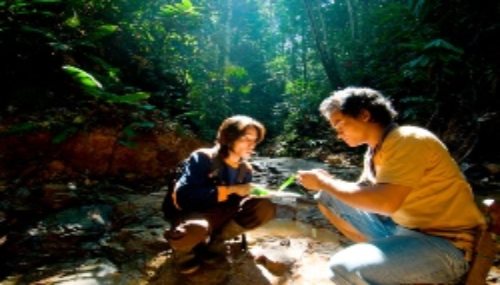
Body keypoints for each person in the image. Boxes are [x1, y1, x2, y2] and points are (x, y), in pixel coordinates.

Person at [297, 87, 486, 284]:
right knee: (328, 197)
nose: (338, 133)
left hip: (447, 244)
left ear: (364, 115)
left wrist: (326, 182)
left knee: (342, 269)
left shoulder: (408, 139)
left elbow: (386, 203)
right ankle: (391, 262)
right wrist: (326, 184)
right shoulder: (374, 151)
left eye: (339, 124)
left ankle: (405, 268)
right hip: (404, 231)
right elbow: (363, 193)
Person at [164, 115, 276, 274]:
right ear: (228, 138)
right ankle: (183, 251)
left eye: (255, 140)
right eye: (246, 138)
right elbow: (184, 196)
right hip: (193, 214)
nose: (252, 145)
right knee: (196, 227)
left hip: (222, 215)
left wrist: (255, 194)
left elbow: (241, 201)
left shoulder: (246, 169)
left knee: (264, 207)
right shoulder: (203, 158)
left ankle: (216, 243)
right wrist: (231, 190)